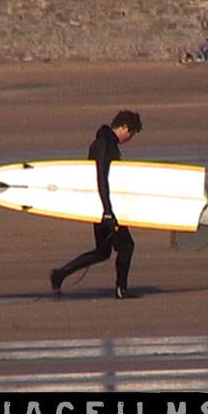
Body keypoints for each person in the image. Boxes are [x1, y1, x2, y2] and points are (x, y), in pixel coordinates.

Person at [50, 110, 143, 299]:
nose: (130, 138)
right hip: (104, 207)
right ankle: (121, 290)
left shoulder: (107, 143)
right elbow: (100, 177)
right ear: (124, 128)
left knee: (102, 252)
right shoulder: (104, 144)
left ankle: (59, 274)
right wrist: (108, 211)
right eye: (131, 134)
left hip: (101, 206)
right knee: (126, 246)